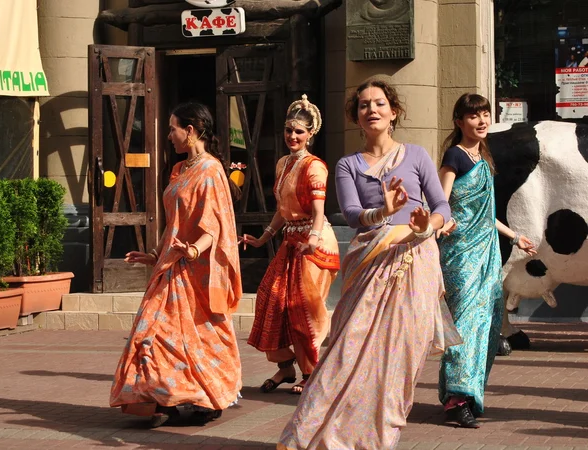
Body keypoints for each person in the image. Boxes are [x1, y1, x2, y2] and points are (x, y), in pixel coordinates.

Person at [277, 77, 461, 450]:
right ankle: (313, 436)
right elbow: (350, 213)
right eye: (363, 105)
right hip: (371, 264)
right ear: (356, 117)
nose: (371, 109)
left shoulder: (417, 156)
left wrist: (429, 225)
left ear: (394, 112)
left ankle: (376, 439)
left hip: (415, 262)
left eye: (379, 103)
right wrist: (384, 211)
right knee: (347, 352)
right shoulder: (348, 164)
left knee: (400, 360)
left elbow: (441, 206)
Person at [110, 102, 242, 428]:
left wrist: (193, 251)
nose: (168, 136)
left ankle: (203, 399)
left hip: (196, 270)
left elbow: (216, 225)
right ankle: (158, 398)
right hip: (170, 266)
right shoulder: (180, 170)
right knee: (151, 333)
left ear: (190, 130)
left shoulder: (211, 171)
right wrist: (155, 254)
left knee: (198, 338)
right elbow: (173, 223)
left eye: (172, 128)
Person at [436, 93, 537, 428]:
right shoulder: (455, 155)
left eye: (484, 114)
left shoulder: (485, 156)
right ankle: (456, 398)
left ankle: (465, 394)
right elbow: (441, 199)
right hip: (460, 253)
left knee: (486, 324)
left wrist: (514, 236)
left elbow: (486, 214)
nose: (481, 121)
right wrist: (442, 219)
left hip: (487, 251)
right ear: (459, 121)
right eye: (473, 115)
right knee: (464, 323)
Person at [242, 94, 340, 395]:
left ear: (310, 134)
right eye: (289, 130)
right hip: (291, 241)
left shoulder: (315, 167)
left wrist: (311, 238)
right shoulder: (284, 163)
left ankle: (311, 373)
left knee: (303, 309)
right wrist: (263, 238)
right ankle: (286, 368)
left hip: (316, 244)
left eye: (299, 131)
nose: (292, 136)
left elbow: (319, 210)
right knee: (270, 300)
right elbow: (283, 210)